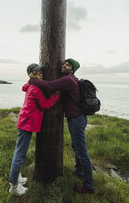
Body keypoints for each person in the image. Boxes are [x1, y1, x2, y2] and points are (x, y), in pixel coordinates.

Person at [29, 58, 94, 194]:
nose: (64, 65)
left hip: (77, 119)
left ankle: (88, 186)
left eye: (68, 64)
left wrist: (32, 80)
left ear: (72, 69)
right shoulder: (71, 79)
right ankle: (79, 172)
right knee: (76, 147)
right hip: (77, 118)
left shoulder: (68, 80)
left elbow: (49, 86)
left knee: (82, 152)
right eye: (64, 63)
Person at [9, 63, 59, 196]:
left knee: (19, 152)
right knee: (20, 154)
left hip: (26, 122)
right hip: (27, 123)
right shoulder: (35, 88)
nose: (41, 73)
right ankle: (14, 186)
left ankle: (16, 177)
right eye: (37, 71)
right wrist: (56, 96)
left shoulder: (32, 86)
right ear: (32, 73)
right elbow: (44, 105)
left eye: (41, 70)